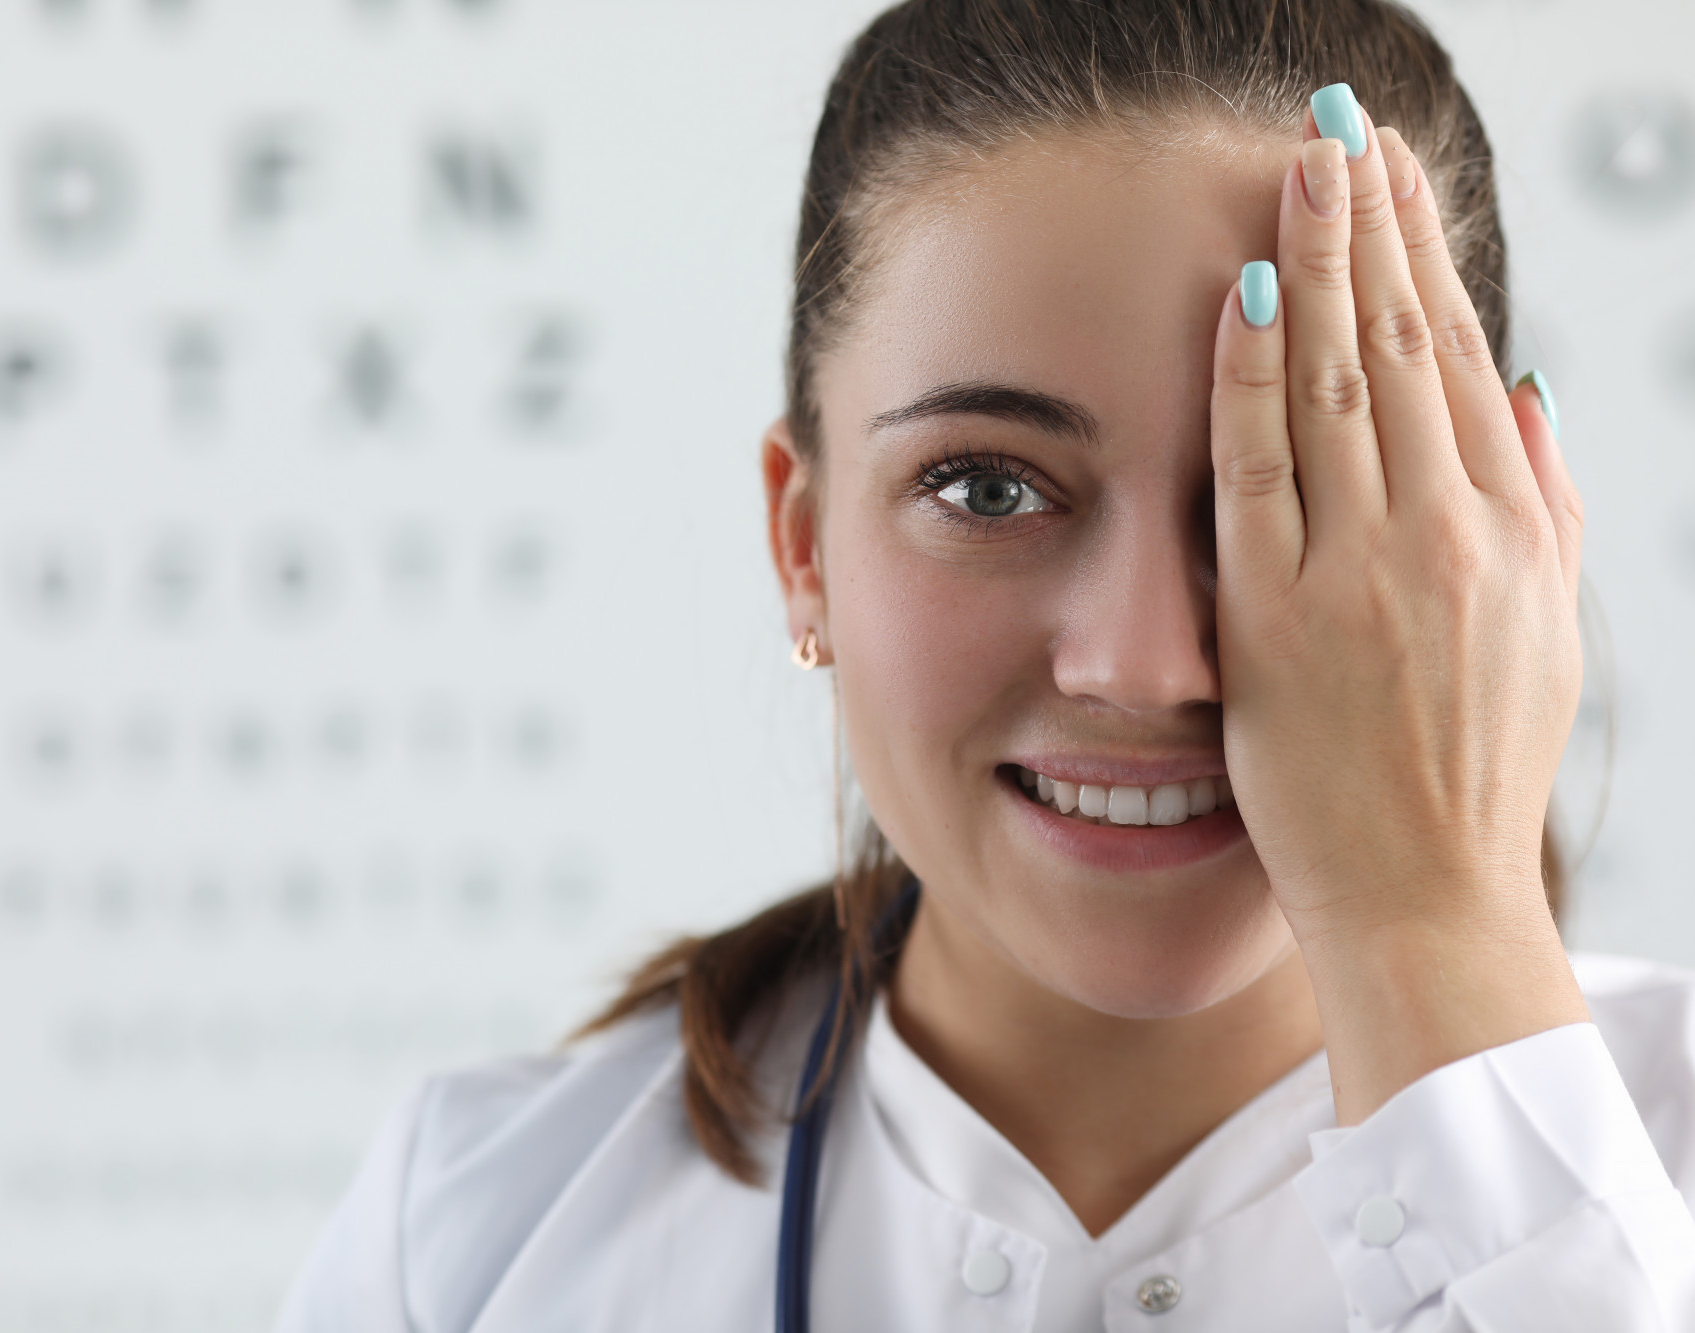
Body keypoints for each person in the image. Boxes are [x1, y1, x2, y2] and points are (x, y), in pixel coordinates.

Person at [275, 0, 1695, 1328]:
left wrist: (1431, 937)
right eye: (988, 488)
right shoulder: (473, 1231)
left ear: (1491, 551)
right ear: (802, 542)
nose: (1144, 665)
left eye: (1287, 488)